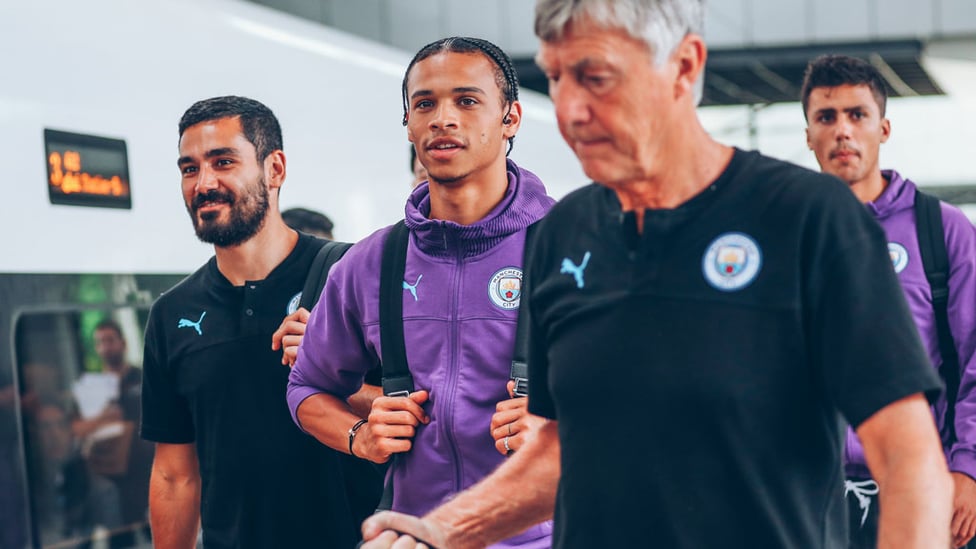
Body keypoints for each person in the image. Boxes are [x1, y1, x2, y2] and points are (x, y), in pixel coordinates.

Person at [357, 2, 953, 548]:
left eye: (596, 77)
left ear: (684, 66)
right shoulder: (564, 235)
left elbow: (909, 463)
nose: (569, 109)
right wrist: (440, 530)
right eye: (557, 77)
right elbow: (566, 447)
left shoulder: (807, 220)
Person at [286, 37, 555, 548]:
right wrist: (360, 437)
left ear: (511, 118)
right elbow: (306, 387)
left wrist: (564, 428)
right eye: (425, 103)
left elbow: (659, 402)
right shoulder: (370, 263)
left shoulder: (577, 249)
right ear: (408, 123)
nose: (443, 118)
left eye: (467, 101)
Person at [140, 95, 374, 549]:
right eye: (189, 169)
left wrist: (331, 372)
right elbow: (174, 474)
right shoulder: (171, 314)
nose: (204, 183)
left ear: (275, 169)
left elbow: (427, 413)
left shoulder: (354, 274)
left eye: (223, 162)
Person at [802, 54, 976, 549]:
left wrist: (969, 469)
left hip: (920, 491)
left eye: (857, 114)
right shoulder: (783, 239)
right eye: (826, 117)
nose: (842, 131)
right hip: (812, 498)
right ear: (808, 134)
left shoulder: (942, 232)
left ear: (884, 127)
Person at [70, 319, 153, 548]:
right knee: (119, 539)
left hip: (145, 474)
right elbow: (75, 428)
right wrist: (103, 418)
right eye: (100, 342)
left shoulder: (144, 377)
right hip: (109, 478)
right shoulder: (90, 386)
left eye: (110, 340)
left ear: (123, 343)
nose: (105, 347)